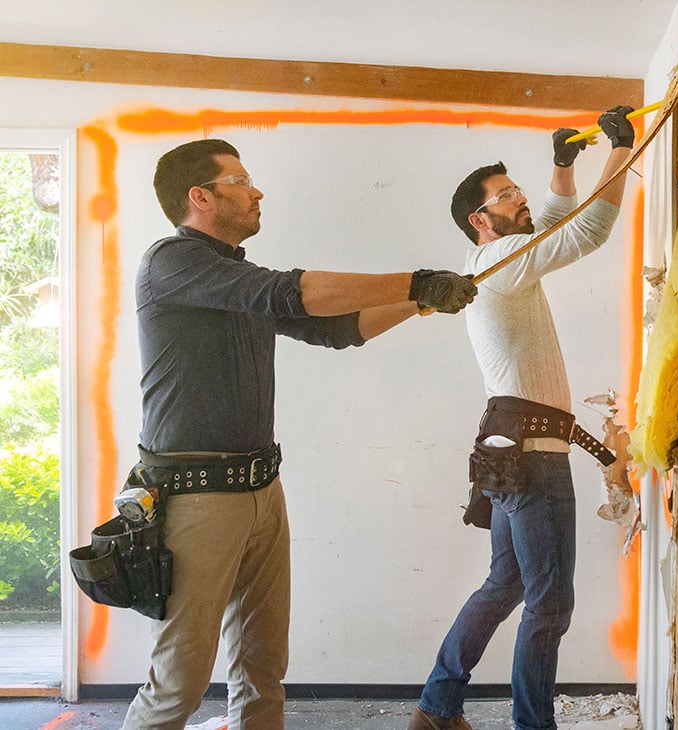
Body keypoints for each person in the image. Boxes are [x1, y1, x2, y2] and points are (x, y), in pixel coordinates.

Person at [122, 138, 477, 730]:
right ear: (200, 197)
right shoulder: (173, 262)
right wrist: (415, 282)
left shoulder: (233, 277)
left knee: (262, 670)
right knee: (177, 685)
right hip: (196, 497)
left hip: (261, 488)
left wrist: (422, 303)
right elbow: (294, 290)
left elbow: (336, 329)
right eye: (240, 182)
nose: (256, 191)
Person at [409, 106, 635, 730]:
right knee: (550, 603)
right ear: (480, 221)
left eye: (518, 188)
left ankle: (436, 707)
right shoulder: (501, 260)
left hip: (513, 452)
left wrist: (563, 167)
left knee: (505, 585)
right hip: (532, 460)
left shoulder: (497, 263)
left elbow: (556, 227)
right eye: (507, 195)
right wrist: (621, 151)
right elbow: (585, 234)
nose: (521, 197)